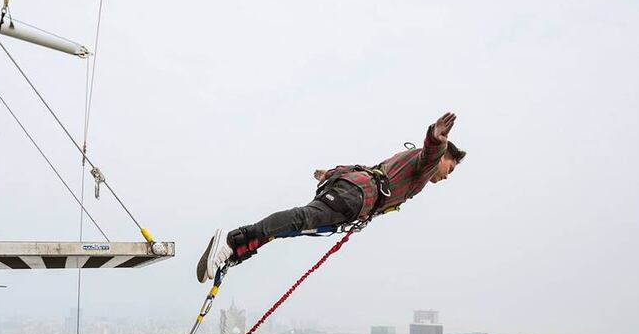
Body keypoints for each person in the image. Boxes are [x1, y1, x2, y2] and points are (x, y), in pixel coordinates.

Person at [196, 112, 466, 282]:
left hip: (352, 190)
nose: (446, 176)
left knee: (298, 224)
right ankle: (232, 240)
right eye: (449, 168)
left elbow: (366, 168)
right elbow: (431, 153)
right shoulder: (423, 165)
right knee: (301, 219)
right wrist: (436, 138)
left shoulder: (400, 161)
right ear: (444, 157)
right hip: (356, 198)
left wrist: (330, 173)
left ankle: (237, 249)